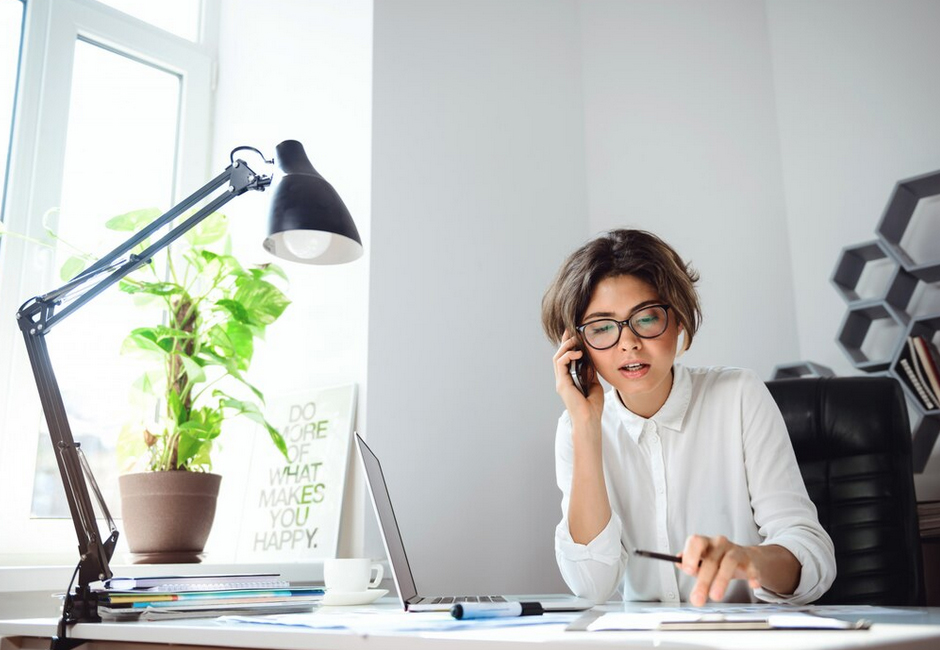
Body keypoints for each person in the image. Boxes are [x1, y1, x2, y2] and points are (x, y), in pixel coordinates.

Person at [541, 229, 835, 606]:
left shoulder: (738, 395)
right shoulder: (575, 429)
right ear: (578, 348)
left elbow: (813, 557)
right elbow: (591, 585)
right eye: (601, 328)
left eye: (645, 319)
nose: (628, 342)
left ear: (678, 320)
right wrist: (585, 426)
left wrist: (751, 561)